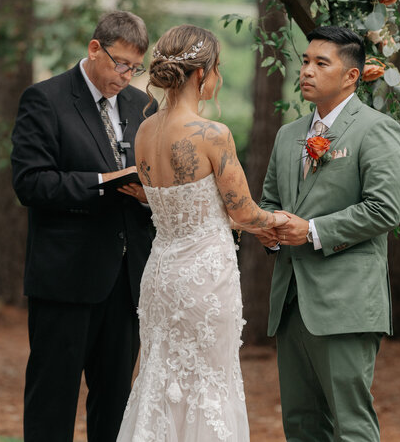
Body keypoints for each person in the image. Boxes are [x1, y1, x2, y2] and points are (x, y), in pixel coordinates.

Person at [115, 24, 288, 442]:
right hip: (205, 279)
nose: (220, 79)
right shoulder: (212, 134)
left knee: (159, 379)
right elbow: (243, 211)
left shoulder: (144, 131)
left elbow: (181, 205)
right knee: (209, 382)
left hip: (160, 274)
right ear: (201, 73)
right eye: (219, 70)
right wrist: (279, 223)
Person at [257, 25, 400, 441]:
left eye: (320, 63)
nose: (306, 70)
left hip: (345, 303)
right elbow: (271, 201)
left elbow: (384, 210)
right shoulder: (288, 135)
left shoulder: (376, 130)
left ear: (351, 77)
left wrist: (312, 231)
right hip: (291, 303)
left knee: (350, 425)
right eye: (305, 61)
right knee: (301, 425)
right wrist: (269, 230)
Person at [11, 10, 158, 442]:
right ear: (95, 49)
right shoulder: (45, 99)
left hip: (127, 280)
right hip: (65, 279)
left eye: (136, 67)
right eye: (120, 64)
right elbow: (29, 182)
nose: (128, 75)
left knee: (115, 403)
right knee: (51, 401)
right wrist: (101, 183)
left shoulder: (141, 105)